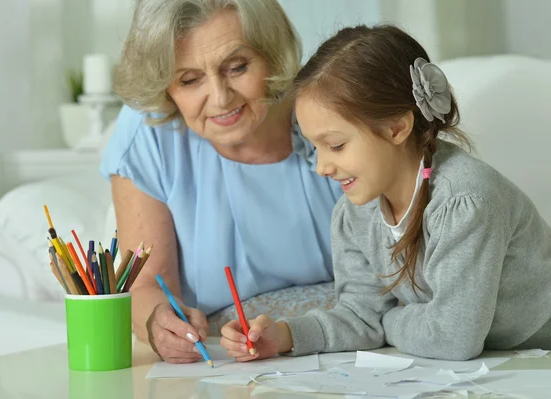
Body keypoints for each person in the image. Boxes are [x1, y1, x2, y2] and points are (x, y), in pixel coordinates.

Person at [220, 24, 551, 361]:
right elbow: (362, 316)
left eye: (335, 145)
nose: (321, 167)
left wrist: (389, 320)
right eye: (314, 146)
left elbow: (452, 338)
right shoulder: (353, 215)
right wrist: (284, 336)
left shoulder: (465, 202)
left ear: (397, 128)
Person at [99, 0, 341, 364]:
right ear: (166, 88)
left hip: (343, 345)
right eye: (189, 79)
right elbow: (146, 285)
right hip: (223, 363)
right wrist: (158, 323)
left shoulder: (328, 107)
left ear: (271, 54)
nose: (221, 97)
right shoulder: (148, 134)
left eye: (237, 67)